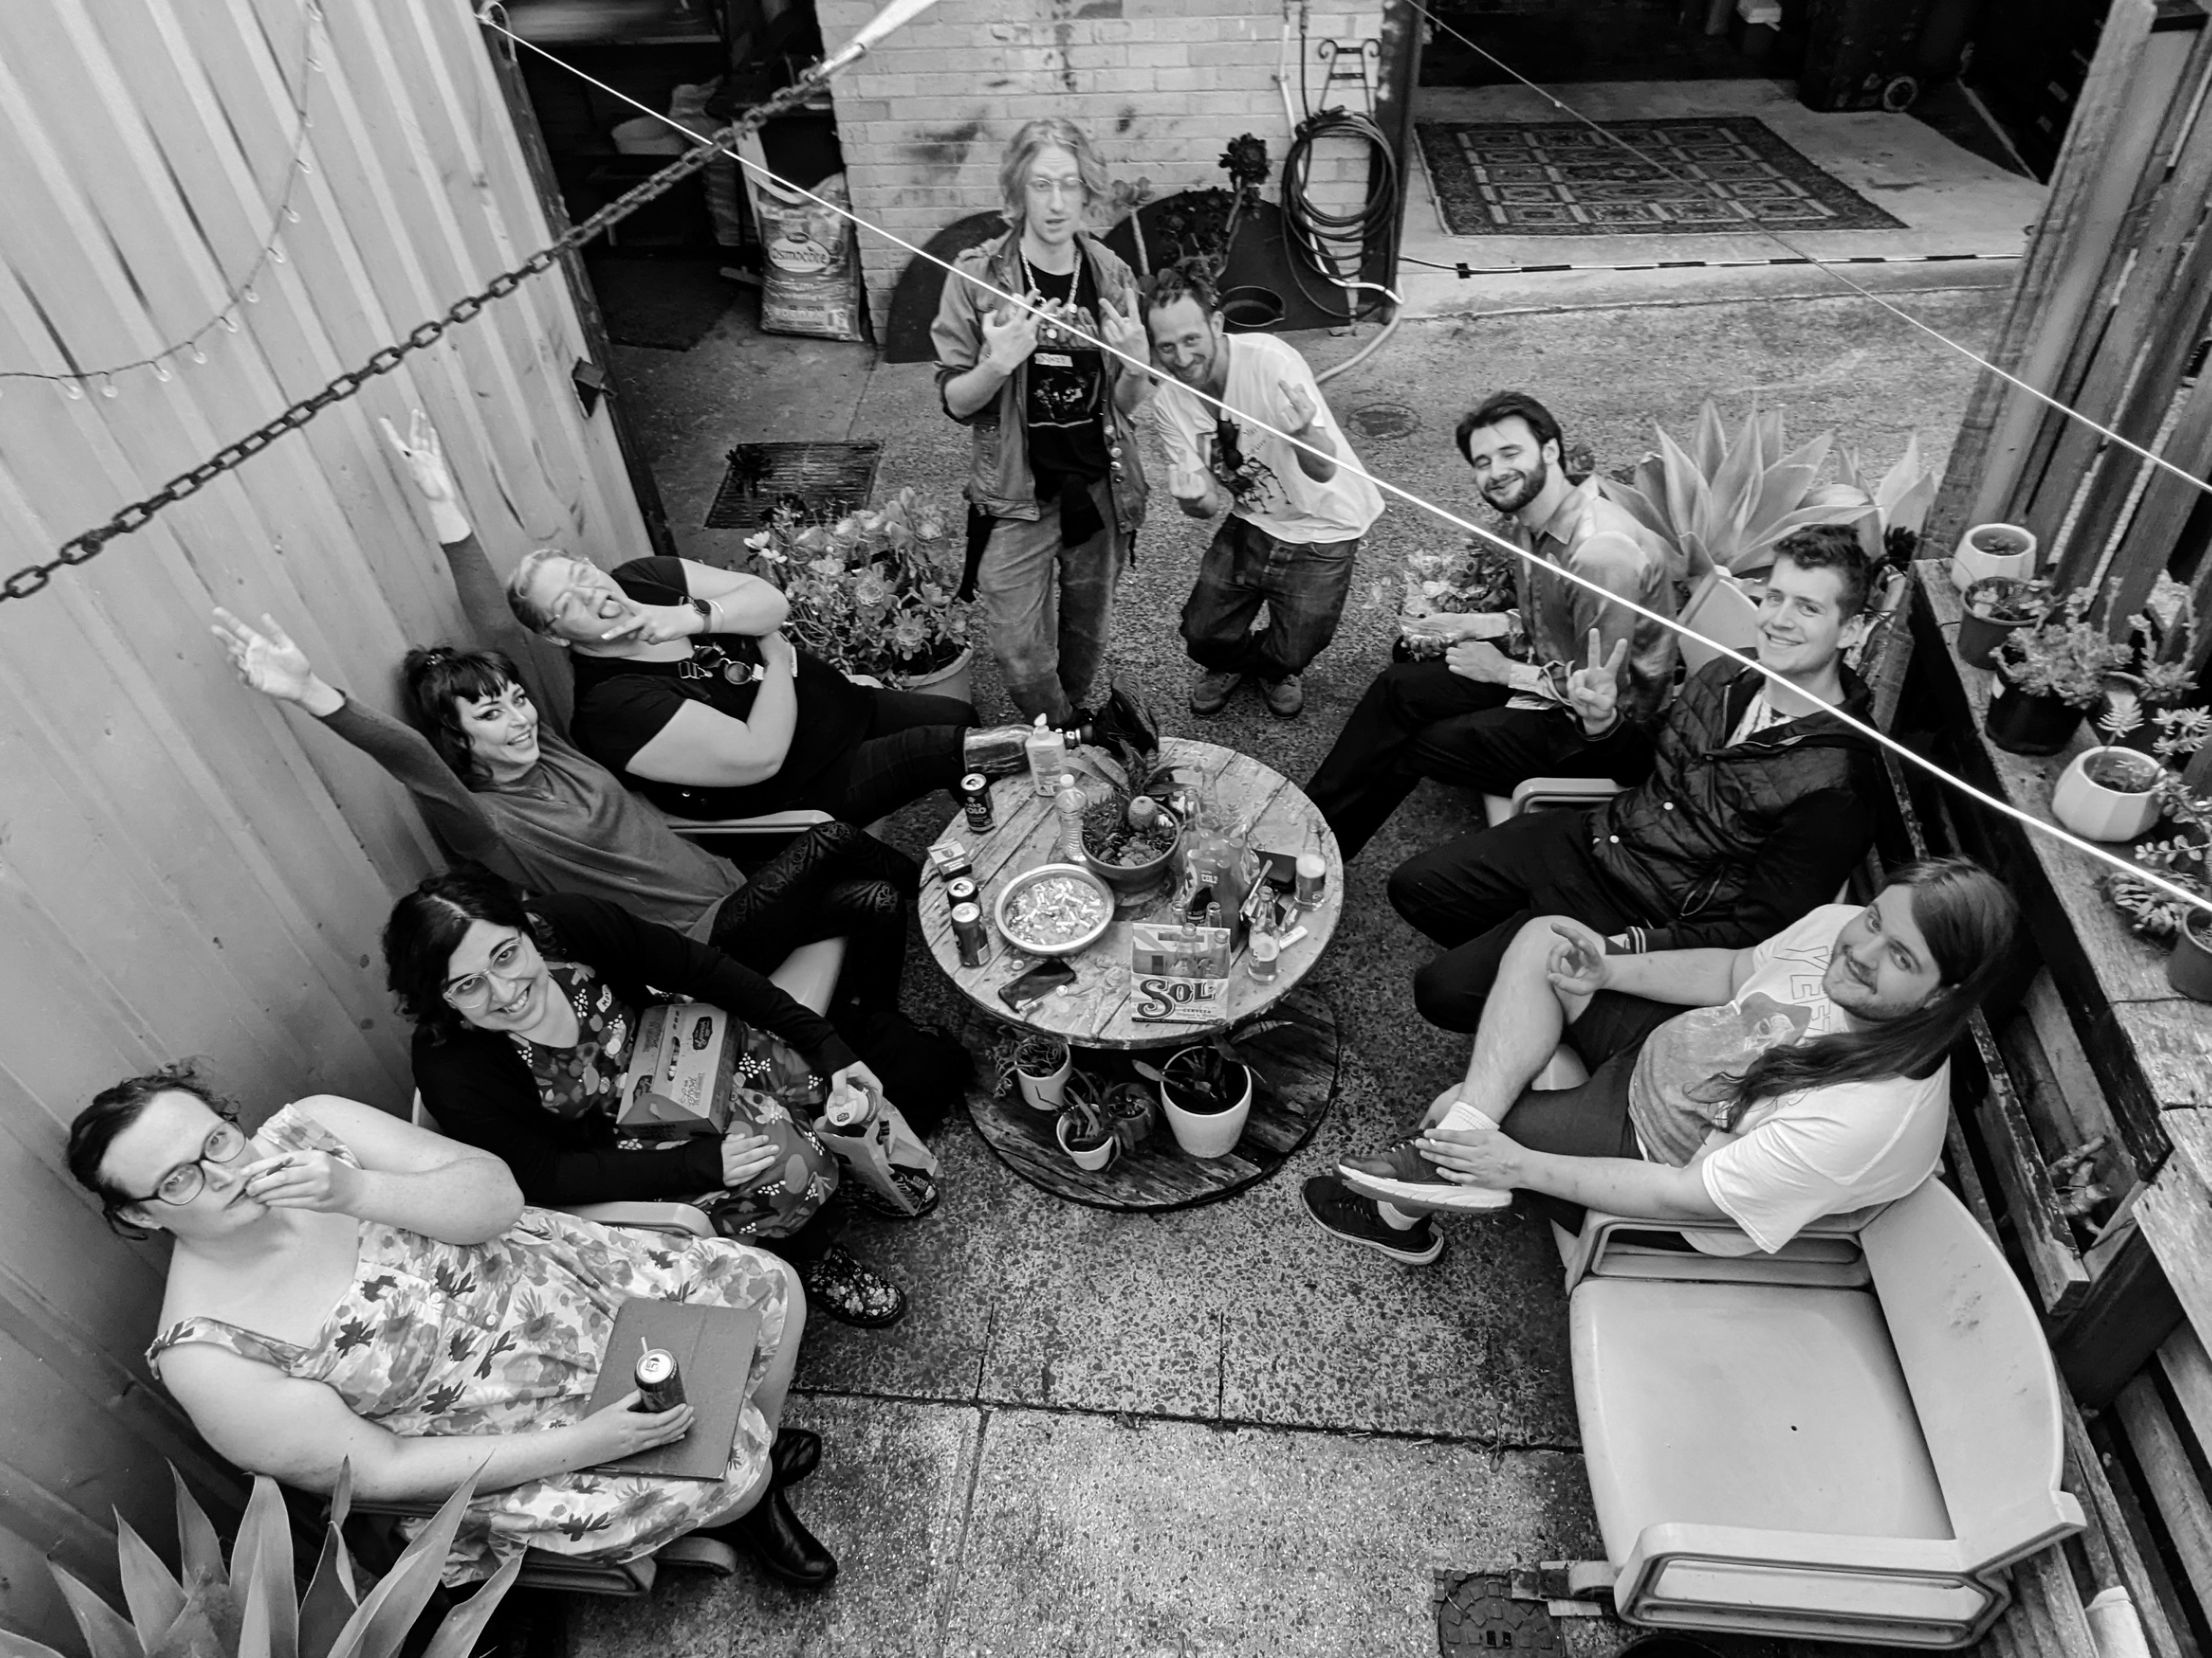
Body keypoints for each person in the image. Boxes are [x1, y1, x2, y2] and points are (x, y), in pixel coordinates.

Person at [210, 414, 972, 1129]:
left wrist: (444, 506)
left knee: (875, 902)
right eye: (491, 715)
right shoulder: (488, 823)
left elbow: (500, 626)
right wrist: (312, 694)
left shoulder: (553, 747)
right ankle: (954, 901)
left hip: (734, 892)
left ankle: (877, 1021)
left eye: (516, 700)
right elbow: (407, 757)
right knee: (834, 842)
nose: (517, 719)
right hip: (694, 948)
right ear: (459, 742)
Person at [71, 1066, 839, 1589]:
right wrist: (588, 1443)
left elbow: (495, 1197)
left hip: (579, 1283)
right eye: (179, 1180)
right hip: (519, 1436)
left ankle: (751, 1448)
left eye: (216, 1141)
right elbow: (382, 1470)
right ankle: (750, 1499)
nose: (224, 1174)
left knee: (771, 1288)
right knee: (733, 1472)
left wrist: (357, 1191)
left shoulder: (317, 1130)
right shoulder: (208, 1355)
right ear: (141, 1215)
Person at [1306, 858, 2016, 1265]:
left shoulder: (1866, 1114)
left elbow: (1683, 1196)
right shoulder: (1837, 929)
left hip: (1657, 1159)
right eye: (1874, 921)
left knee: (1444, 1118)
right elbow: (1734, 971)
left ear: (1941, 995)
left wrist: (1515, 1167)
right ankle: (1466, 1131)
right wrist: (1608, 972)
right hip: (1666, 1056)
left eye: (1900, 957)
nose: (1860, 950)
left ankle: (1399, 1221)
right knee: (1549, 942)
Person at [1387, 523, 1883, 1034]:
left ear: (1852, 630)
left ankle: (1552, 1003)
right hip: (1597, 839)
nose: (1779, 620)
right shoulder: (1728, 674)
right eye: (1775, 597)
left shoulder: (1839, 785)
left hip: (1647, 913)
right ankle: (1523, 977)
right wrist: (1604, 724)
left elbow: (1758, 934)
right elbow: (1645, 765)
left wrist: (1631, 951)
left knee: (1441, 991)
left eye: (1808, 608)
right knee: (1415, 888)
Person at [387, 865, 919, 1329]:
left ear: (525, 928)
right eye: (468, 985)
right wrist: (695, 1165)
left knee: (805, 1071)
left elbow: (701, 970)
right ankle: (813, 1251)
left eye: (506, 955)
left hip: (670, 1054)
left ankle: (845, 1171)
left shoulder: (569, 924)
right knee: (781, 1158)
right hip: (613, 1145)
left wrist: (826, 1045)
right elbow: (544, 1173)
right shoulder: (452, 1069)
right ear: (439, 997)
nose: (505, 992)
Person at [1306, 391, 1677, 859]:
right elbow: (1557, 623)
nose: (1496, 471)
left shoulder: (1601, 553)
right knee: (1398, 689)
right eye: (1483, 462)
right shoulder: (1534, 520)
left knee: (1421, 744)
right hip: (1551, 684)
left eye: (1510, 453)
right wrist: (1479, 623)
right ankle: (1303, 828)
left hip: (1605, 734)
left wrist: (1503, 672)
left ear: (1550, 450)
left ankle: (1315, 864)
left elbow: (1601, 690)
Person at [930, 118, 1154, 726]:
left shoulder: (1110, 274)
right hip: (1016, 494)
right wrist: (997, 363)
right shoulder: (977, 278)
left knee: (1088, 636)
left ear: (1087, 191)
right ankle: (1063, 725)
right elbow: (956, 402)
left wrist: (1137, 364)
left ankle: (1068, 722)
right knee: (1019, 654)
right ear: (1017, 190)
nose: (1056, 203)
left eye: (1069, 185)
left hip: (1099, 488)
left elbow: (1127, 402)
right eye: (1041, 185)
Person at [1146, 267, 1384, 720]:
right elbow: (1207, 505)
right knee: (1201, 631)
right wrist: (1191, 499)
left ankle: (1277, 670)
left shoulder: (1270, 362)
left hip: (1327, 520)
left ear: (1216, 324)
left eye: (1191, 339)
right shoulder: (1168, 403)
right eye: (1167, 346)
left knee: (1299, 647)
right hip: (1254, 517)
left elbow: (1323, 470)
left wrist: (1305, 438)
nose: (1182, 357)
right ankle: (1233, 663)